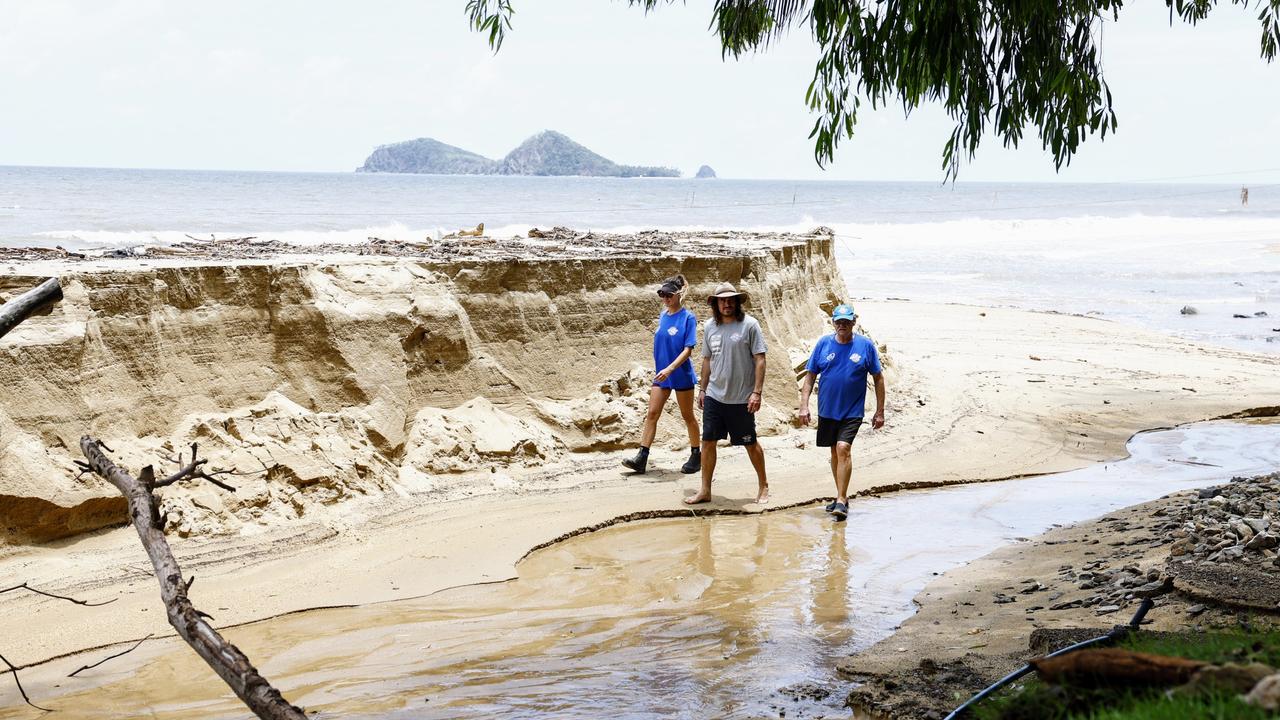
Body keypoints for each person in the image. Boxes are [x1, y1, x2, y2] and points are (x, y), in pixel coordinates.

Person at [797, 304, 885, 521]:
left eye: (847, 321)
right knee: (834, 453)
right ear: (833, 322)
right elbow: (810, 376)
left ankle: (841, 499)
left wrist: (879, 411)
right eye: (839, 322)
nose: (842, 325)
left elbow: (878, 377)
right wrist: (804, 405)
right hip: (827, 410)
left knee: (843, 448)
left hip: (852, 411)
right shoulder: (823, 344)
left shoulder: (865, 346)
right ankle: (840, 497)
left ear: (854, 322)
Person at [684, 282, 769, 505]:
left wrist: (756, 392)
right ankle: (705, 490)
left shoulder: (750, 325)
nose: (727, 304)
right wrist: (702, 389)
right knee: (708, 442)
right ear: (716, 303)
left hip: (742, 399)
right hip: (714, 395)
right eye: (722, 300)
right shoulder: (710, 326)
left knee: (750, 443)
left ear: (738, 302)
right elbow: (707, 359)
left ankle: (763, 486)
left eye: (731, 300)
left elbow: (760, 359)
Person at [622, 275, 702, 475]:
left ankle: (696, 455)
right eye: (662, 294)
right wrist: (662, 370)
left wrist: (670, 369)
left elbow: (688, 350)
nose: (665, 298)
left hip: (679, 374)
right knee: (652, 413)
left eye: (668, 294)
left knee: (687, 415)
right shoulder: (663, 315)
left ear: (678, 295)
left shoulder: (688, 318)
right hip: (661, 375)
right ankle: (642, 457)